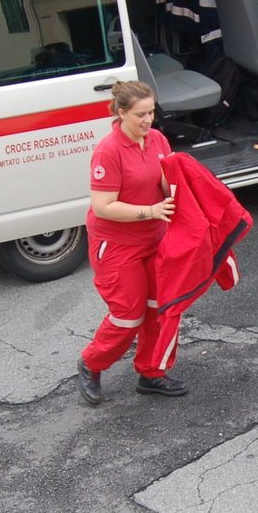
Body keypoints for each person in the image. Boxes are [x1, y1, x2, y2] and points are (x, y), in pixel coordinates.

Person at [76, 80, 189, 405]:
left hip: (154, 239)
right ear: (121, 113)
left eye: (151, 112)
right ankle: (91, 363)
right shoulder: (108, 150)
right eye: (140, 114)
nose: (148, 120)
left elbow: (168, 180)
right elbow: (103, 207)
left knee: (158, 308)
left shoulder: (156, 139)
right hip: (117, 244)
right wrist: (151, 210)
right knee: (128, 313)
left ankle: (151, 373)